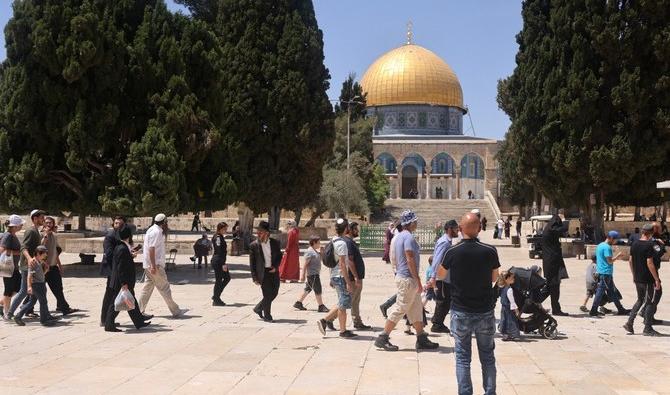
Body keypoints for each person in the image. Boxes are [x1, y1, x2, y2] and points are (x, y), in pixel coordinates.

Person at [437, 212, 500, 395]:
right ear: (479, 228)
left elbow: (441, 275)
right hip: (485, 311)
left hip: (461, 310)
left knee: (463, 359)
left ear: (461, 229)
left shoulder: (452, 252)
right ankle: (490, 392)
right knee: (487, 357)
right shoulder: (489, 250)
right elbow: (495, 277)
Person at [374, 210, 439, 351]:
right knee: (400, 308)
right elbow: (409, 258)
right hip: (408, 279)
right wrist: (418, 279)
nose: (417, 223)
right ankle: (383, 337)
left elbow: (394, 258)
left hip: (404, 276)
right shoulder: (408, 237)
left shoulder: (398, 237)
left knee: (416, 309)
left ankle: (421, 337)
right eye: (415, 221)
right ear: (411, 223)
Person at [138, 214, 187, 317]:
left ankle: (138, 311)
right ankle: (176, 311)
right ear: (164, 222)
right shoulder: (156, 232)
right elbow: (151, 248)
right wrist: (153, 266)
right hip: (155, 266)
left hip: (149, 265)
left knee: (147, 289)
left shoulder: (151, 230)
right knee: (165, 288)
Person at [104, 225, 150, 332]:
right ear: (129, 236)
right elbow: (121, 268)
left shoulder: (122, 247)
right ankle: (109, 324)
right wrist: (123, 283)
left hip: (122, 281)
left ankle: (139, 322)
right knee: (115, 304)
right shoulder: (122, 249)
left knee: (130, 301)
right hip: (121, 282)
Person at [317, 218, 357, 338]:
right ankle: (331, 324)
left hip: (335, 275)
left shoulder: (333, 240)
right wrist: (348, 281)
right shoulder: (342, 243)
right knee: (343, 303)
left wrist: (331, 278)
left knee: (342, 302)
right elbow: (342, 264)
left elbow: (332, 261)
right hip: (340, 277)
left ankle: (337, 326)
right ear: (346, 229)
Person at [624, 224, 662, 336]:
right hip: (647, 279)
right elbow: (650, 263)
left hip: (638, 278)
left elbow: (630, 261)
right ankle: (648, 328)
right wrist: (656, 279)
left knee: (640, 300)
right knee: (650, 302)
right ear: (651, 233)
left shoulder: (635, 243)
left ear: (642, 232)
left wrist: (634, 275)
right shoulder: (650, 244)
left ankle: (629, 323)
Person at [8, 209, 46, 319]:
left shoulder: (36, 231)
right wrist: (29, 259)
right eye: (41, 218)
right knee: (24, 291)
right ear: (35, 219)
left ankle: (18, 312)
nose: (43, 219)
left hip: (33, 265)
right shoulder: (30, 231)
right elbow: (23, 247)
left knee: (29, 292)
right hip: (27, 266)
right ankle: (12, 313)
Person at [13, 245, 59, 326]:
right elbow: (29, 276)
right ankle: (44, 320)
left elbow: (39, 275)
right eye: (44, 254)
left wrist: (46, 271)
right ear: (38, 253)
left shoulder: (39, 262)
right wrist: (29, 286)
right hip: (37, 285)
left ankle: (18, 316)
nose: (46, 255)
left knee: (31, 302)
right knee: (43, 302)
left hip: (40, 284)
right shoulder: (33, 263)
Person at [427, 219, 459, 333]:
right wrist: (433, 277)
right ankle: (437, 325)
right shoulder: (444, 242)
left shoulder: (447, 241)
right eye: (456, 228)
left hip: (445, 276)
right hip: (442, 277)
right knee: (443, 301)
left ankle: (436, 320)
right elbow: (437, 259)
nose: (458, 231)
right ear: (450, 229)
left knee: (444, 300)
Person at [43, 216, 78, 315]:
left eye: (51, 223)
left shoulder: (54, 235)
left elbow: (55, 252)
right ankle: (27, 308)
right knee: (38, 290)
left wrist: (60, 265)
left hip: (53, 267)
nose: (49, 224)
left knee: (58, 288)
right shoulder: (42, 234)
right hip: (43, 267)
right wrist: (45, 235)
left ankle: (63, 307)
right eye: (47, 223)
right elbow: (39, 248)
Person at [589, 231, 629, 317]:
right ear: (611, 238)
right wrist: (618, 256)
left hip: (603, 272)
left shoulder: (600, 245)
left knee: (612, 292)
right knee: (600, 291)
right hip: (605, 273)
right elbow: (609, 261)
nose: (615, 242)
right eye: (615, 240)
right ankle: (593, 310)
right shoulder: (607, 247)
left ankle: (620, 309)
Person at [249, 221, 282, 322]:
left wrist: (275, 267)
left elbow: (280, 256)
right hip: (262, 273)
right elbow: (252, 263)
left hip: (273, 271)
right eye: (257, 232)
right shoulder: (254, 245)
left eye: (261, 232)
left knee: (275, 292)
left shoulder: (275, 243)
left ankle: (258, 308)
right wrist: (254, 277)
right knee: (267, 294)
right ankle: (267, 315)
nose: (258, 234)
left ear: (267, 233)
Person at [541, 214, 569, 316]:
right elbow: (563, 229)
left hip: (550, 263)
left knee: (550, 288)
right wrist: (565, 220)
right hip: (552, 264)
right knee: (554, 287)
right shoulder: (551, 229)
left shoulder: (548, 229)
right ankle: (556, 310)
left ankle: (533, 302)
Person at [345, 222, 371, 330]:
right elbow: (350, 261)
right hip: (353, 278)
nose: (358, 231)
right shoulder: (349, 243)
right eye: (356, 229)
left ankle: (357, 322)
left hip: (356, 277)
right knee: (348, 301)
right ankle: (328, 319)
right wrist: (356, 277)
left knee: (354, 301)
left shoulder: (351, 242)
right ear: (350, 229)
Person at [293, 235, 328, 312]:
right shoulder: (310, 252)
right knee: (318, 289)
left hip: (314, 274)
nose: (320, 244)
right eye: (318, 242)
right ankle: (321, 306)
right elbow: (305, 264)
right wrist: (302, 275)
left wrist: (322, 253)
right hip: (313, 274)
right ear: (314, 243)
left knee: (308, 289)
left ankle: (298, 303)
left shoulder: (315, 251)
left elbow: (321, 259)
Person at [379, 222, 404, 319]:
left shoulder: (398, 237)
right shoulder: (399, 238)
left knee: (407, 292)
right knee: (405, 292)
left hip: (399, 269)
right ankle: (386, 306)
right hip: (401, 269)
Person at [1, 215, 24, 319]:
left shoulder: (12, 235)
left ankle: (2, 303)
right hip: (8, 268)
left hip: (14, 268)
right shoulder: (8, 236)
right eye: (20, 224)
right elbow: (2, 250)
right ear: (14, 226)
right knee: (9, 290)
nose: (22, 225)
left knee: (19, 288)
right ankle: (6, 313)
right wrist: (18, 252)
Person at [497, 271, 520, 341]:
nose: (514, 279)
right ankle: (511, 334)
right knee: (511, 321)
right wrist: (516, 310)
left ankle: (505, 335)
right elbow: (512, 301)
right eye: (512, 278)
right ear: (507, 279)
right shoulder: (509, 289)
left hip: (503, 308)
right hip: (509, 309)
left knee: (504, 320)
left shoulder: (502, 288)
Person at [211, 222, 230, 306]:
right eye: (224, 229)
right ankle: (216, 299)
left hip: (219, 260)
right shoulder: (218, 237)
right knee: (220, 280)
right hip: (218, 261)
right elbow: (219, 250)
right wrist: (223, 264)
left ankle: (216, 296)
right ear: (220, 229)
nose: (226, 230)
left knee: (226, 278)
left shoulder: (219, 236)